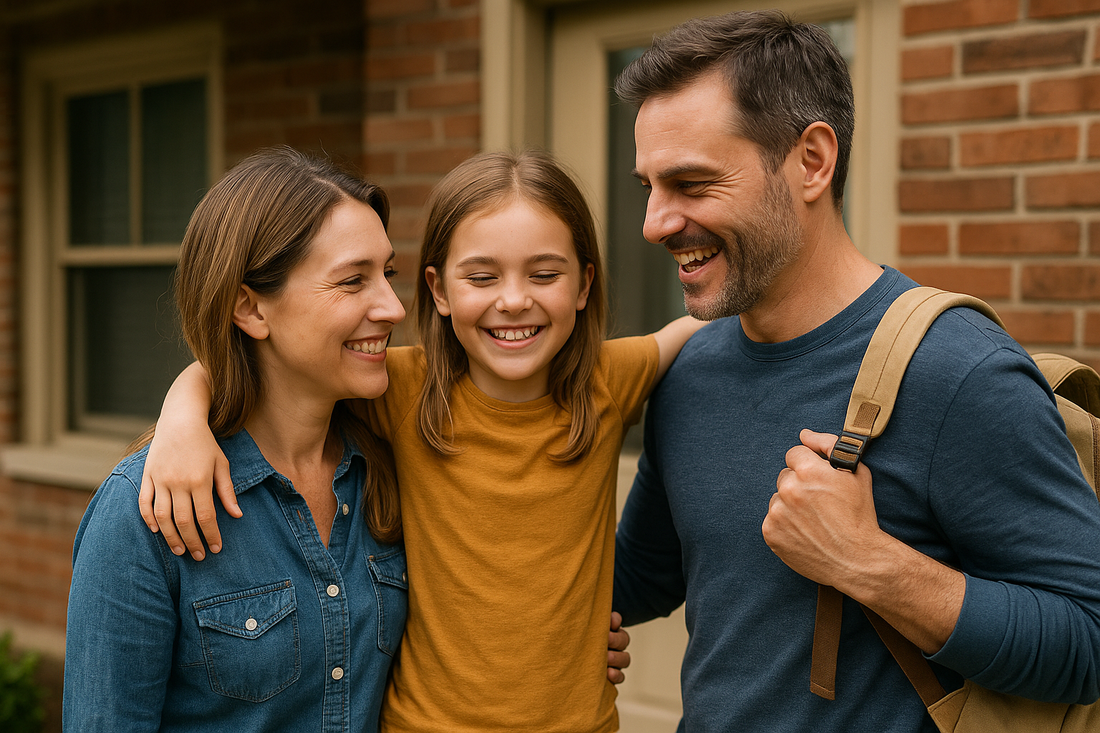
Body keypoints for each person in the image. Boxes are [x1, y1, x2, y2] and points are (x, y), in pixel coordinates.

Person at [610, 9, 1100, 733]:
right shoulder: (693, 369)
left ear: (812, 160)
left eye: (690, 182)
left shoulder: (959, 370)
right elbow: (638, 578)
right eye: (649, 185)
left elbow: (1087, 637)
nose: (654, 221)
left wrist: (873, 564)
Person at [138, 150, 704, 732]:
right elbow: (267, 371)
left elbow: (703, 322)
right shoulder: (402, 388)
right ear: (438, 290)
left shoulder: (609, 380)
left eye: (544, 274)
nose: (513, 300)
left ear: (584, 284)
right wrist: (184, 415)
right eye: (483, 277)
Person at [63, 147, 409, 731]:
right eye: (353, 281)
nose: (393, 307)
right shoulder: (142, 511)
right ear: (249, 307)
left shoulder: (394, 463)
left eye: (387, 274)